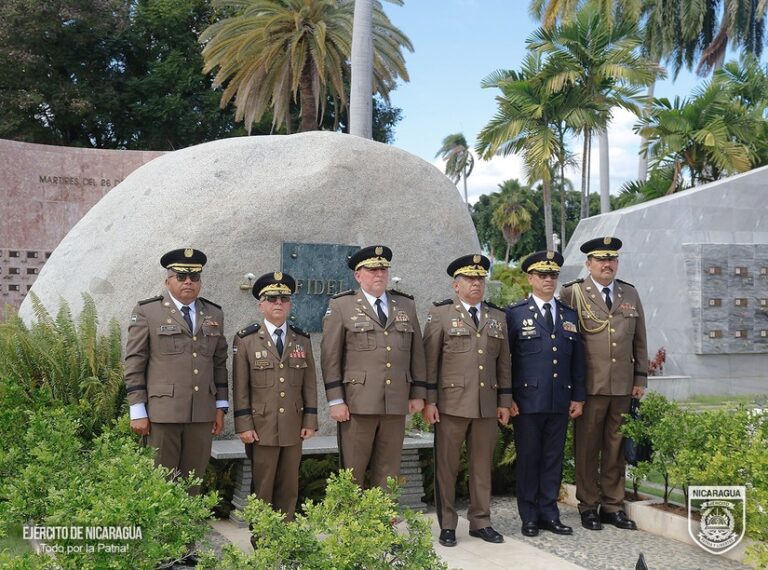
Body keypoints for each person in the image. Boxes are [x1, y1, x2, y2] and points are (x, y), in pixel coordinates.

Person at [124, 248, 229, 564]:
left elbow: (219, 362)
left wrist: (220, 406)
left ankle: (186, 547)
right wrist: (137, 409)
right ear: (168, 280)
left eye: (194, 277)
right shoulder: (148, 312)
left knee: (193, 482)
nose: (188, 282)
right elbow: (134, 362)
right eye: (181, 276)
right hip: (162, 413)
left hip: (201, 413)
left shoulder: (214, 314)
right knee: (162, 481)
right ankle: (161, 549)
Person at [423, 254, 514, 547]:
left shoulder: (497, 317)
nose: (476, 283)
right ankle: (448, 525)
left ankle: (480, 521)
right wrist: (430, 401)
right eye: (469, 279)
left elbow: (504, 364)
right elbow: (429, 363)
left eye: (480, 279)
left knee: (481, 466)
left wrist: (504, 400)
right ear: (456, 285)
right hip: (450, 405)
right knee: (447, 468)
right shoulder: (440, 315)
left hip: (486, 404)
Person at [560, 237, 648, 531]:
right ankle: (588, 505)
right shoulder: (573, 293)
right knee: (587, 448)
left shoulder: (630, 293)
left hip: (622, 385)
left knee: (615, 447)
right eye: (601, 260)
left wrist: (640, 378)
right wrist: (573, 386)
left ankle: (613, 505)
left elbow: (639, 340)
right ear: (589, 264)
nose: (607, 264)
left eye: (612, 259)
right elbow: (566, 343)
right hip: (590, 387)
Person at [321, 245, 427, 489]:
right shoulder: (342, 306)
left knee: (389, 468)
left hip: (396, 400)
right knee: (353, 468)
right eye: (372, 270)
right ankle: (353, 524)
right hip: (357, 402)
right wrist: (336, 400)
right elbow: (330, 356)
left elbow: (416, 353)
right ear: (358, 275)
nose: (379, 274)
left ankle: (383, 522)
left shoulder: (405, 305)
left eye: (383, 269)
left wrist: (418, 393)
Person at [506, 250, 586, 538]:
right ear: (530, 278)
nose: (549, 280)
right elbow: (506, 361)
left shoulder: (568, 314)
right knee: (529, 459)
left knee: (553, 459)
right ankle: (529, 516)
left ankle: (549, 513)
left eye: (553, 275)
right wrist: (508, 397)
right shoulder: (515, 314)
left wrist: (578, 396)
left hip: (559, 400)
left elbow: (577, 360)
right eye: (542, 275)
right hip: (526, 403)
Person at [232, 271, 317, 520]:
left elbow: (309, 384)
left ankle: (285, 537)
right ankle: (262, 539)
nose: (278, 303)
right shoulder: (246, 340)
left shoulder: (301, 339)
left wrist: (309, 420)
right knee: (263, 486)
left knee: (289, 486)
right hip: (262, 426)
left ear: (289, 304)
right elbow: (240, 387)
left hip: (292, 425)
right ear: (261, 305)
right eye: (271, 298)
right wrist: (244, 425)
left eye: (283, 298)